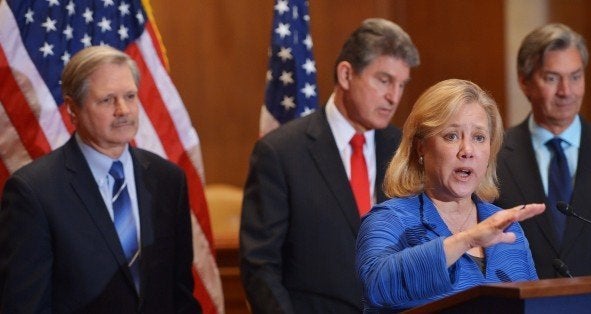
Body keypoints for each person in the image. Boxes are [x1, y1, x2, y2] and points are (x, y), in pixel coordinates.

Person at [0, 46, 200, 312]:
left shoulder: (168, 180)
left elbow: (180, 294)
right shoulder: (34, 191)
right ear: (73, 109)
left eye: (130, 96)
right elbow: (26, 306)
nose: (123, 110)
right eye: (107, 100)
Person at [239, 18, 420, 313]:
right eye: (384, 80)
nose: (394, 97)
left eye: (401, 85)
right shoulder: (282, 152)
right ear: (346, 75)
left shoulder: (404, 149)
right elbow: (260, 266)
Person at [356, 79, 545, 311]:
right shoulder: (390, 220)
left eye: (479, 137)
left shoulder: (507, 227)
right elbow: (378, 287)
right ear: (421, 147)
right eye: (452, 136)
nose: (467, 151)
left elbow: (536, 305)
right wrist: (468, 239)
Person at [494, 23, 591, 278]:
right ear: (525, 82)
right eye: (552, 78)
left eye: (576, 77)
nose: (566, 91)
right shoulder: (494, 155)